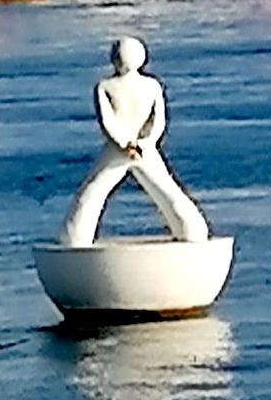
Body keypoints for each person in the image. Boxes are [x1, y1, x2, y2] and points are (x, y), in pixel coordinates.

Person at [60, 36, 210, 245]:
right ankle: (193, 231)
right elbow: (158, 122)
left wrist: (125, 144)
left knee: (92, 193)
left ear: (114, 58)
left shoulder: (105, 87)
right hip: (144, 149)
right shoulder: (152, 86)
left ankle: (75, 238)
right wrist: (145, 143)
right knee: (167, 190)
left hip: (118, 150)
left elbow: (108, 122)